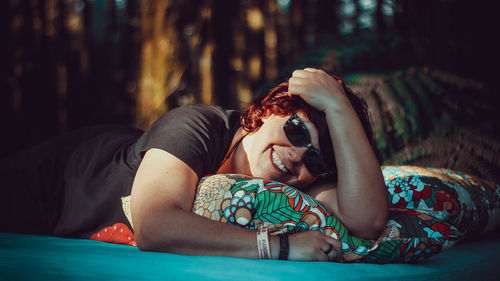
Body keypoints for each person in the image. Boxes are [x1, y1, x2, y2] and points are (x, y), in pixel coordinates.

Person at [0, 68, 387, 261]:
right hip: (35, 186)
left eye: (317, 159)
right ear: (269, 111)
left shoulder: (298, 182)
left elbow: (367, 219)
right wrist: (282, 246)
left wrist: (339, 106)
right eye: (298, 131)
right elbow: (154, 225)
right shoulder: (199, 125)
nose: (299, 155)